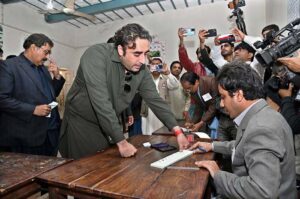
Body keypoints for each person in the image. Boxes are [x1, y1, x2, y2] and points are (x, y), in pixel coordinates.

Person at [59, 23, 189, 159]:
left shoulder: (141, 69)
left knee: (106, 162)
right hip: (82, 121)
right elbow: (101, 102)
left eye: (145, 54)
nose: (143, 61)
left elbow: (155, 100)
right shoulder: (96, 55)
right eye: (137, 54)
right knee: (87, 167)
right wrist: (121, 142)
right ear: (121, 50)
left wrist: (177, 131)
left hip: (107, 122)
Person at [189, 61, 297, 198]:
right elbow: (245, 145)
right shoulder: (262, 115)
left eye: (223, 97)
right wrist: (212, 145)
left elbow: (261, 192)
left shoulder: (261, 128)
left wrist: (218, 174)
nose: (221, 104)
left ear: (238, 95)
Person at [0, 33, 65, 156]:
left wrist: (57, 77)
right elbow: (2, 99)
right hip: (26, 137)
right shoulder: (9, 66)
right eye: (46, 52)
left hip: (50, 134)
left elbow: (51, 95)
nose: (47, 57)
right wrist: (32, 109)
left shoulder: (43, 70)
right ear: (34, 47)